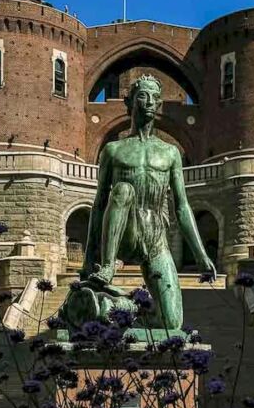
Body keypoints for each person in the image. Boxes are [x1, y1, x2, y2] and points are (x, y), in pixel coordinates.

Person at [82, 75, 216, 329]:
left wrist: (200, 255)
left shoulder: (170, 153)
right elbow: (99, 205)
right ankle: (109, 266)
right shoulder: (114, 150)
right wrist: (90, 259)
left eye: (155, 98)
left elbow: (182, 206)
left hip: (155, 235)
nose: (150, 102)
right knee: (122, 190)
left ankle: (118, 308)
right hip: (124, 234)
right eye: (143, 96)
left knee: (172, 321)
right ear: (129, 102)